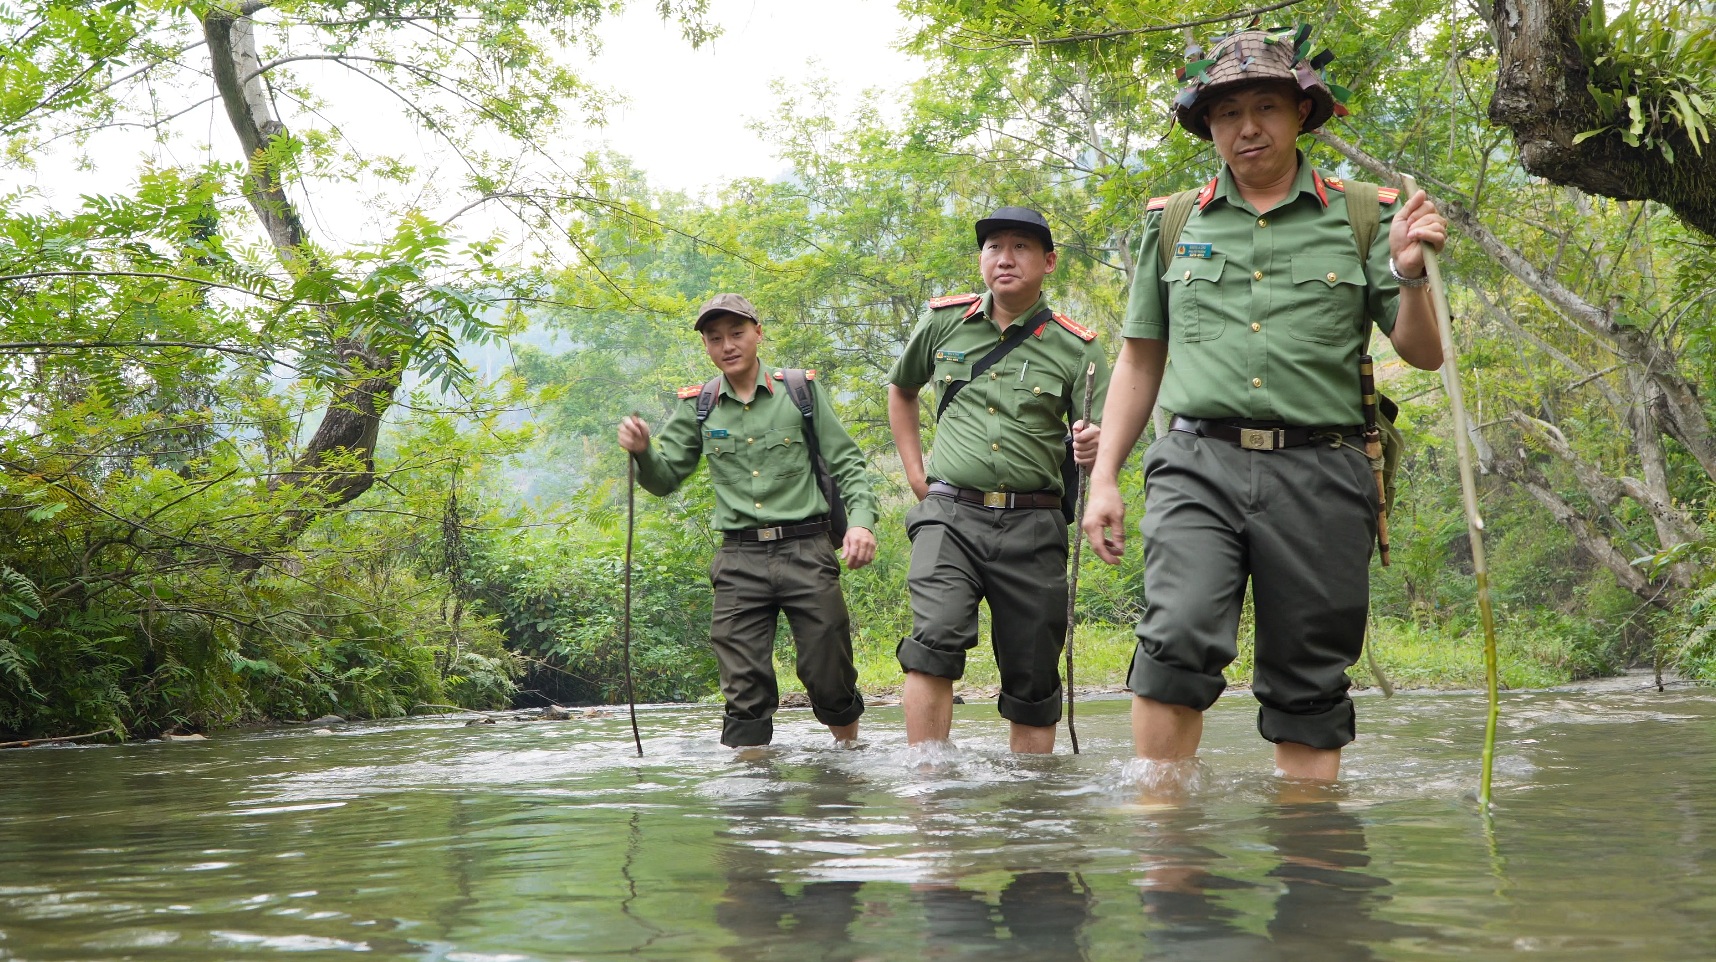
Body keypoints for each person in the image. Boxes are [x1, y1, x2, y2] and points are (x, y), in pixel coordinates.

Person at [1083, 26, 1448, 781]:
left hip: (1324, 469)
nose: (1247, 128)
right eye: (1227, 113)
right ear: (1208, 125)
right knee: (1176, 637)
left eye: (1266, 107)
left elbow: (1424, 352)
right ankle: (1163, 830)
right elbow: (1141, 356)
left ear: (1301, 113)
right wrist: (1105, 476)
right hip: (1197, 461)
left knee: (1310, 672)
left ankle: (1308, 841)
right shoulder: (1173, 221)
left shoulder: (1367, 214)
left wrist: (1411, 274)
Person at [887, 207, 1109, 753]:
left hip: (1034, 522)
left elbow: (1106, 435)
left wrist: (1094, 447)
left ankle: (1031, 796)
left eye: (1020, 247)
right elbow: (902, 389)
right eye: (994, 247)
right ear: (982, 259)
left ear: (1049, 262)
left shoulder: (1078, 348)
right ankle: (927, 782)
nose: (1004, 258)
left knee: (1033, 674)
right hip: (948, 514)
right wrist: (917, 476)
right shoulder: (943, 322)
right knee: (933, 642)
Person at [618, 293, 878, 748]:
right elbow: (664, 480)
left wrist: (861, 523)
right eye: (715, 338)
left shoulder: (798, 391)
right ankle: (752, 783)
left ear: (758, 333)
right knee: (743, 686)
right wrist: (643, 452)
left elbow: (848, 463)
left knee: (828, 671)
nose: (728, 345)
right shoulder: (699, 405)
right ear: (705, 345)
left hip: (806, 549)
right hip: (739, 559)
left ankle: (847, 759)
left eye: (737, 333)